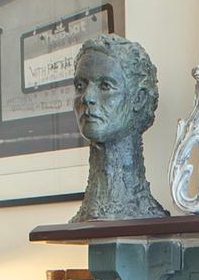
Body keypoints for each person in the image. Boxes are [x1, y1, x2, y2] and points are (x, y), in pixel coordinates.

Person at [70, 34, 168, 221]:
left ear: (138, 99)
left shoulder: (146, 215)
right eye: (80, 86)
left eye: (105, 86)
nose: (87, 97)